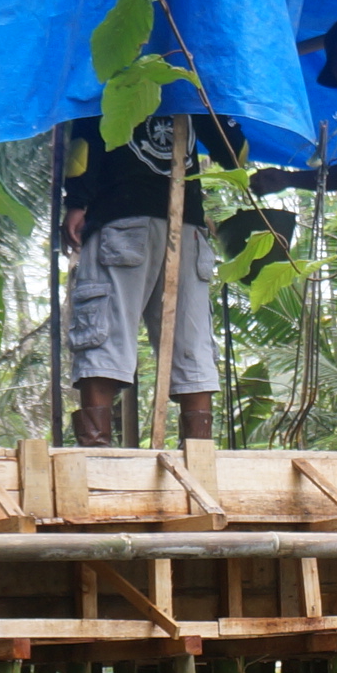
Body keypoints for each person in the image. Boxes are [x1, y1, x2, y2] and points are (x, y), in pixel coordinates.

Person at [63, 111, 223, 447]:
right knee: (192, 344)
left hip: (122, 217)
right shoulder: (198, 87)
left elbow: (84, 143)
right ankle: (198, 455)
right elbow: (235, 150)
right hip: (188, 230)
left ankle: (97, 452)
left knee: (105, 334)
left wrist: (76, 202)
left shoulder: (108, 81)